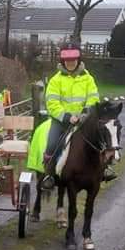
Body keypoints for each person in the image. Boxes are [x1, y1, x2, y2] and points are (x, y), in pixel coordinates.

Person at [40, 42, 111, 189]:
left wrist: (85, 113)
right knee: (52, 144)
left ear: (78, 59)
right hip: (62, 121)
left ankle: (104, 169)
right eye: (67, 59)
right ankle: (49, 174)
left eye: (73, 59)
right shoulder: (55, 80)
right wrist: (67, 117)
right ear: (62, 61)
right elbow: (52, 103)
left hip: (84, 120)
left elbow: (93, 99)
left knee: (101, 139)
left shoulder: (88, 79)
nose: (70, 62)